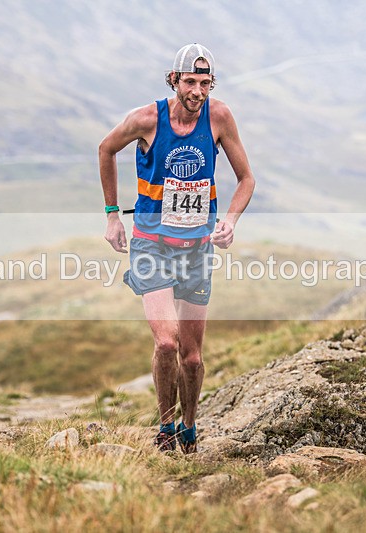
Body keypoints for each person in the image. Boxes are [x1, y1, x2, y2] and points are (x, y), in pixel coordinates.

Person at [98, 43, 255, 453]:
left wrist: (230, 220)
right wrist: (113, 214)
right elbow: (106, 148)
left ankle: (189, 427)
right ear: (174, 80)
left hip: (197, 249)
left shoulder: (219, 117)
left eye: (205, 83)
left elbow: (247, 180)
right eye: (190, 82)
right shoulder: (147, 119)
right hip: (151, 244)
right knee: (166, 343)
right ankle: (166, 428)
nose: (197, 91)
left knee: (192, 357)